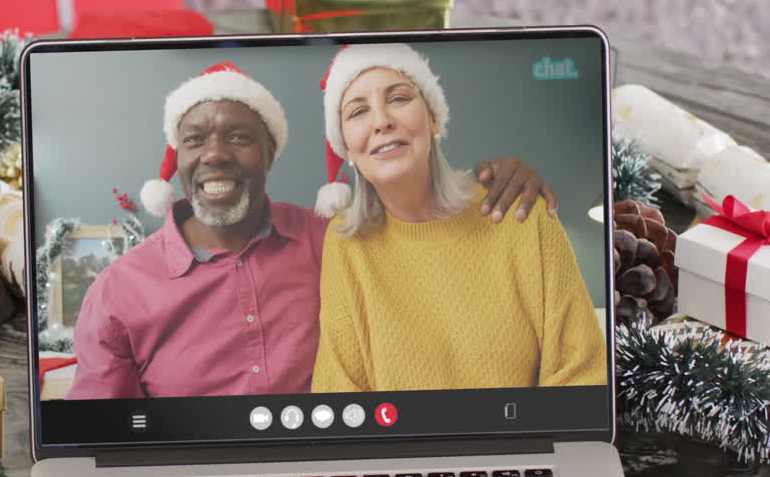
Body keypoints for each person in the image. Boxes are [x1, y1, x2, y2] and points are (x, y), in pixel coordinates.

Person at [67, 60, 558, 399]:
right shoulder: (118, 292)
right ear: (180, 160)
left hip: (330, 471)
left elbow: (424, 226)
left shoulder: (336, 239)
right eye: (195, 140)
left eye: (238, 137)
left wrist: (498, 176)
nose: (214, 154)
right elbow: (97, 438)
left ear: (269, 154)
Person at [310, 43, 606, 394]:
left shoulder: (519, 213)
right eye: (358, 112)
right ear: (347, 148)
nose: (381, 121)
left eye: (399, 98)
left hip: (513, 442)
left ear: (433, 117)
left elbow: (584, 376)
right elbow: (341, 396)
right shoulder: (346, 243)